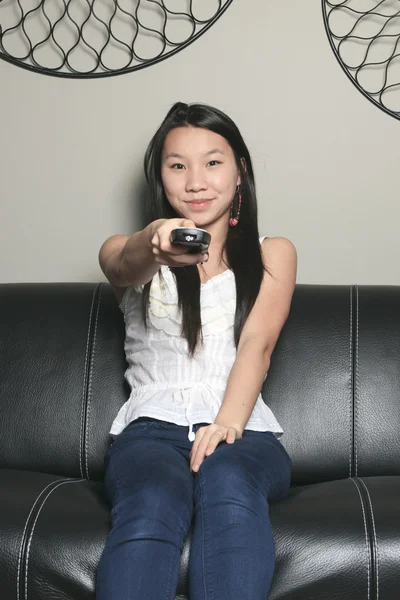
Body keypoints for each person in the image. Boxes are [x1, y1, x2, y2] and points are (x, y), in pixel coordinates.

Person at [96, 102, 297, 600]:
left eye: (213, 162)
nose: (196, 182)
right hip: (150, 432)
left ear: (239, 171)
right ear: (160, 178)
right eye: (177, 165)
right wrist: (154, 242)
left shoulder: (274, 253)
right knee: (152, 494)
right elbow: (124, 266)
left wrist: (227, 424)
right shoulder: (128, 249)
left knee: (228, 478)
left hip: (244, 431)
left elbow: (259, 342)